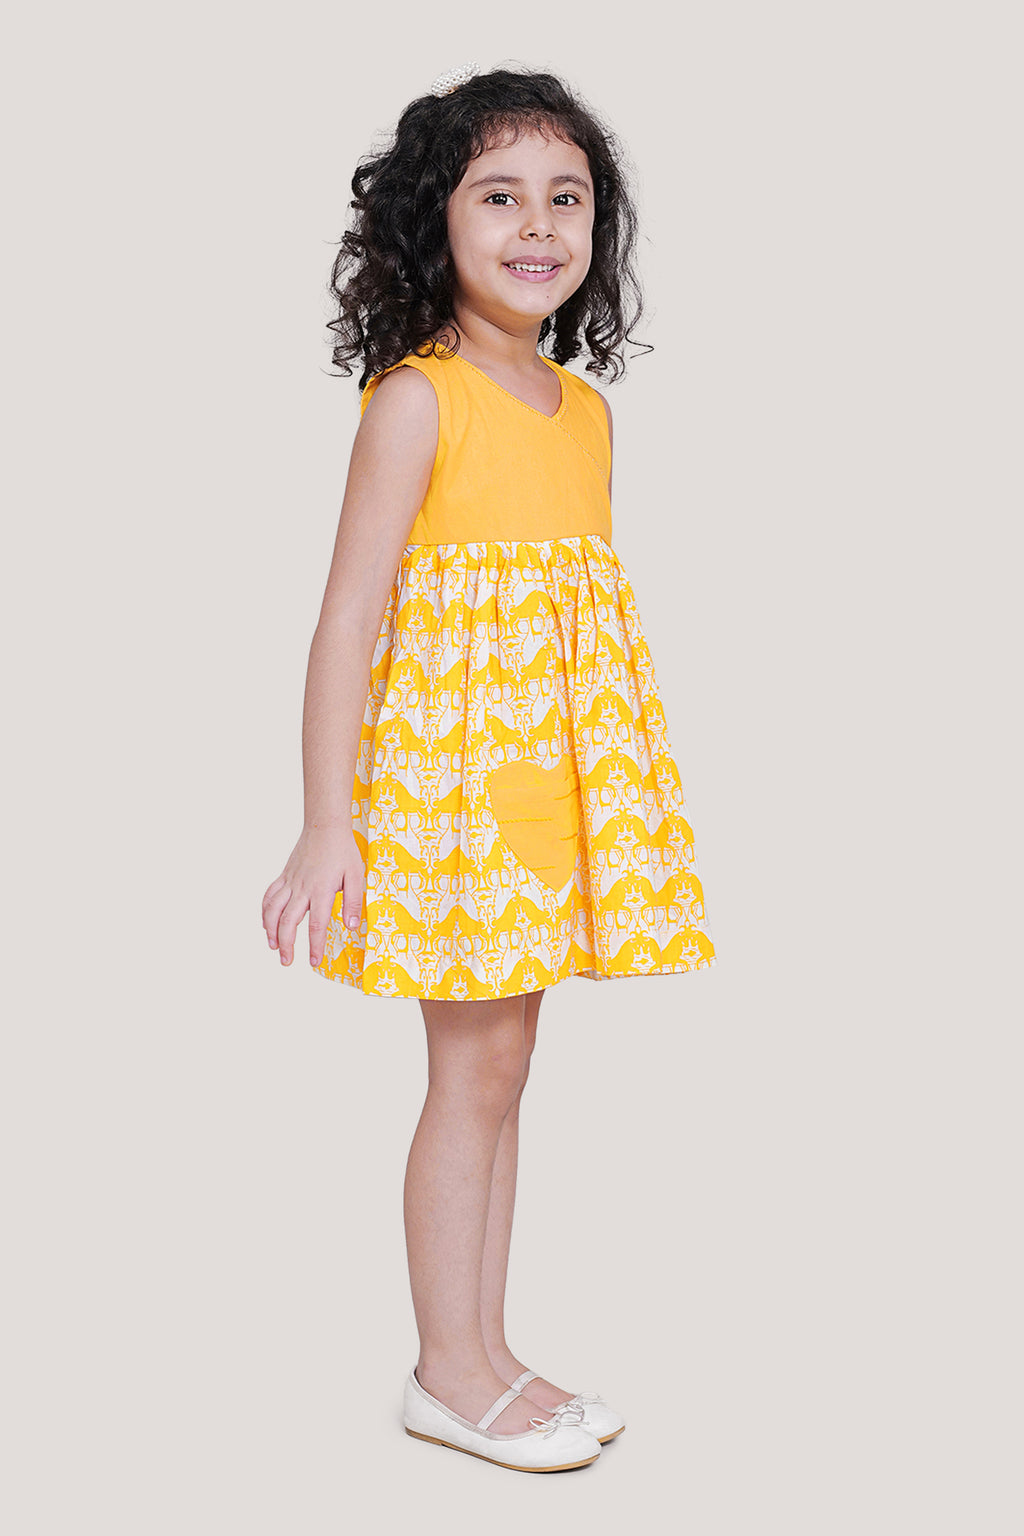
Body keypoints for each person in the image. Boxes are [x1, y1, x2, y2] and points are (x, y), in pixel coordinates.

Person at [261, 61, 717, 1473]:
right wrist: (323, 824)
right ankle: (447, 1371)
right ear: (434, 220)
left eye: (566, 198)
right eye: (499, 195)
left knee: (507, 1065)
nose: (537, 225)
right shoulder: (419, 399)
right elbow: (349, 614)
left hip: (547, 788)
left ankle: (484, 1350)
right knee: (473, 1071)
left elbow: (568, 621)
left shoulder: (582, 409)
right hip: (455, 792)